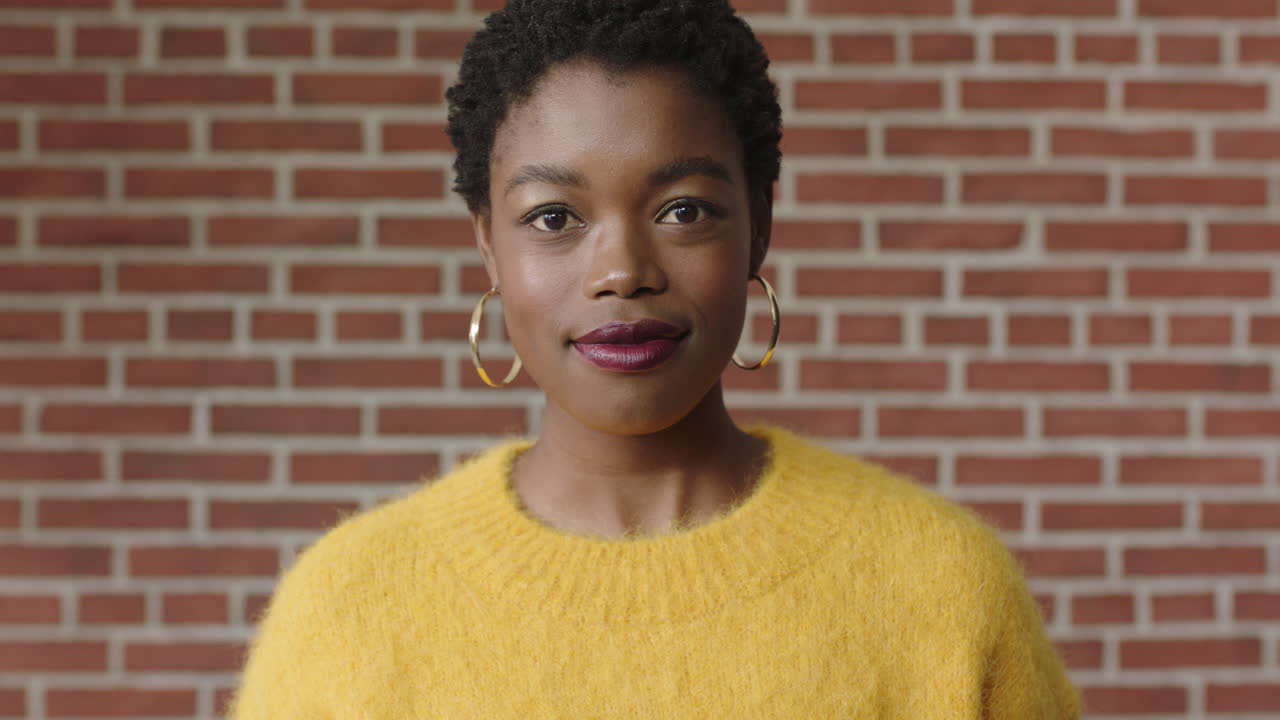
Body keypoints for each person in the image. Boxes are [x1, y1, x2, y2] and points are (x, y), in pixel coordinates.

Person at [227, 0, 1082, 717]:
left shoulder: (941, 586)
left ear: (760, 225)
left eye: (683, 210)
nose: (622, 272)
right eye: (554, 218)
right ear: (489, 246)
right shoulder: (347, 610)